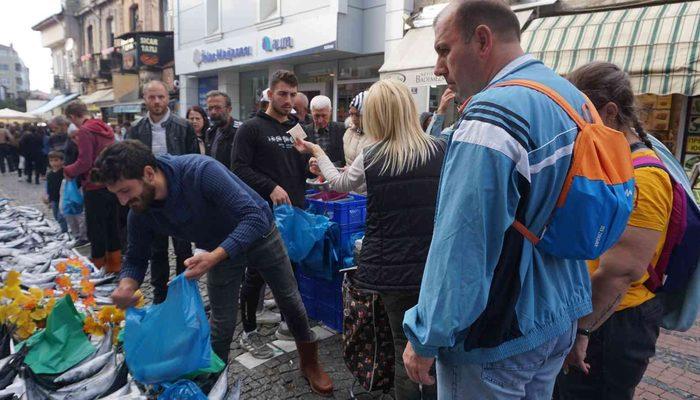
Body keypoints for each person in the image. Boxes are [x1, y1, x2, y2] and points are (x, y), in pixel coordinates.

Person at [402, 1, 596, 398]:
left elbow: (462, 245)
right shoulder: (571, 98)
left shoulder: (492, 116)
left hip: (500, 334)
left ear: (482, 40)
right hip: (558, 316)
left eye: (443, 50)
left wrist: (426, 336)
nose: (439, 68)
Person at [102, 140, 334, 396]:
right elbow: (135, 257)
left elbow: (254, 217)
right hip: (218, 249)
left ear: (148, 173)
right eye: (117, 195)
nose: (123, 201)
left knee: (290, 300)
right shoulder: (140, 211)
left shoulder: (200, 171)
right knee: (221, 324)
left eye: (125, 190)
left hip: (260, 234)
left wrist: (214, 257)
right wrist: (126, 285)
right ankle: (214, 384)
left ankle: (310, 363)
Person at [296, 79, 445, 400]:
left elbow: (340, 182)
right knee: (436, 347)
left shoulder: (373, 155)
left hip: (390, 270)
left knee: (401, 344)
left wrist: (318, 152)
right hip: (434, 266)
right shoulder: (439, 148)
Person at [553, 62, 673, 400]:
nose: (575, 124)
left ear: (609, 111)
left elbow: (619, 273)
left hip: (614, 324)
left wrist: (581, 331)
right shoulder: (611, 161)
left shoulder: (646, 177)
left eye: (582, 113)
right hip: (593, 314)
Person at [232, 70, 311, 357]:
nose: (289, 100)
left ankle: (289, 323)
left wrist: (311, 167)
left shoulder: (296, 127)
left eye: (292, 94)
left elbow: (302, 164)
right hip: (263, 214)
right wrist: (271, 187)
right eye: (282, 94)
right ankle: (249, 331)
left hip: (295, 213)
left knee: (292, 270)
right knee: (256, 274)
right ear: (270, 93)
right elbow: (239, 168)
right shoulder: (251, 128)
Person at [127, 80, 197, 304]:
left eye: (161, 97)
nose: (157, 102)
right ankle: (160, 296)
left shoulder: (184, 127)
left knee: (183, 248)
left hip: (178, 197)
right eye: (152, 97)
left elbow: (194, 161)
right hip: (151, 200)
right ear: (145, 99)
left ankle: (184, 291)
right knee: (157, 250)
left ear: (168, 98)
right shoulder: (135, 130)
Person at [63, 100, 121, 272]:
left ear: (73, 116)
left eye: (71, 120)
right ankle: (115, 265)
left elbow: (85, 162)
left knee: (96, 228)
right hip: (111, 183)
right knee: (112, 226)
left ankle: (98, 267)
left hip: (94, 185)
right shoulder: (105, 127)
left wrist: (68, 170)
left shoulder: (85, 131)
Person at [302, 95, 345, 166]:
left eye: (324, 116)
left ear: (330, 111)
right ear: (311, 112)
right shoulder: (304, 132)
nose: (320, 120)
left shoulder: (342, 129)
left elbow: (346, 159)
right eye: (316, 116)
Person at [205, 90, 242, 168]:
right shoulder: (210, 132)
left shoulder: (241, 131)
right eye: (210, 108)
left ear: (229, 109)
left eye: (217, 108)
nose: (213, 112)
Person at [343, 91, 373, 166]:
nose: (353, 118)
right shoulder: (349, 132)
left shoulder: (377, 135)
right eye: (351, 114)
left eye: (358, 115)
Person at [42, 150, 68, 233]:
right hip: (53, 199)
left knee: (61, 216)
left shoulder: (65, 172)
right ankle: (63, 228)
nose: (53, 163)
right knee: (56, 216)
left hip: (62, 198)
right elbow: (48, 186)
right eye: (51, 160)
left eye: (56, 160)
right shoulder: (49, 174)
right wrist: (47, 196)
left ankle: (64, 231)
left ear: (62, 161)